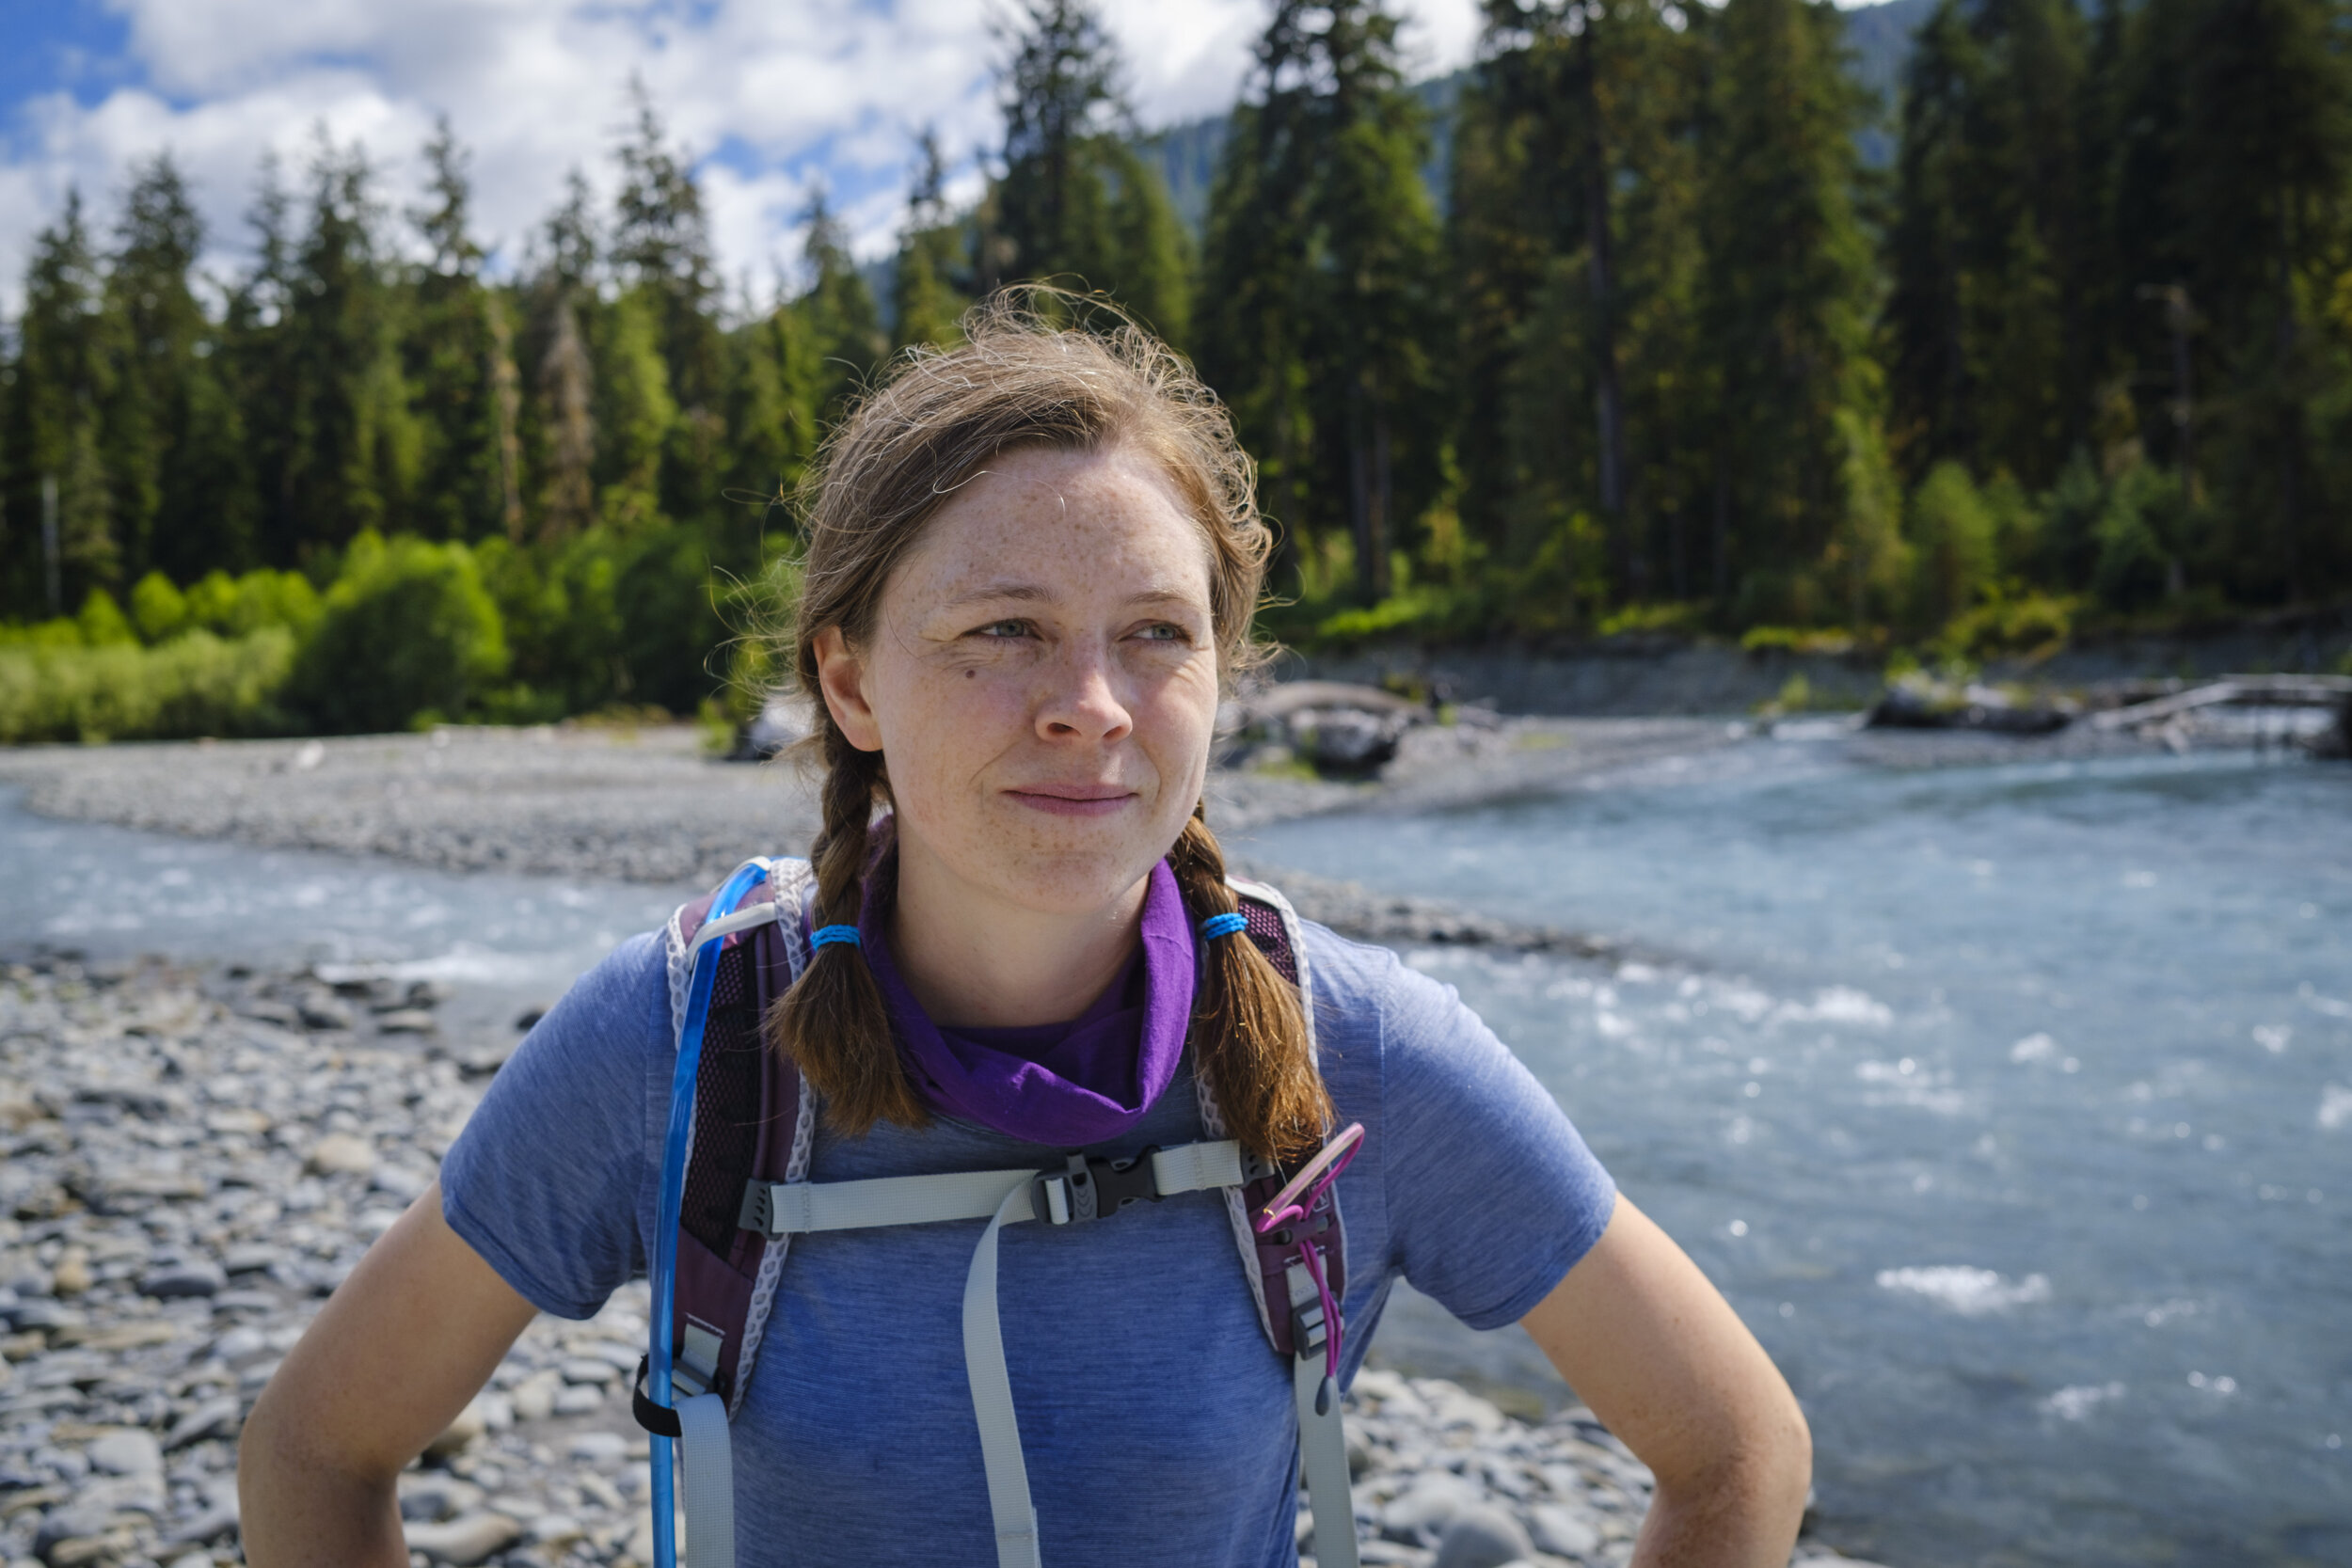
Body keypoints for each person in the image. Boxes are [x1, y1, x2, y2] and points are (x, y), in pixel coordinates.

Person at [239, 296, 1810, 1567]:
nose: (1091, 706)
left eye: (1155, 637)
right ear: (848, 683)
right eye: (1004, 633)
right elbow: (315, 1454)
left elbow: (1736, 1451)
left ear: (1223, 675)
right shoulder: (680, 1042)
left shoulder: (1360, 1052)